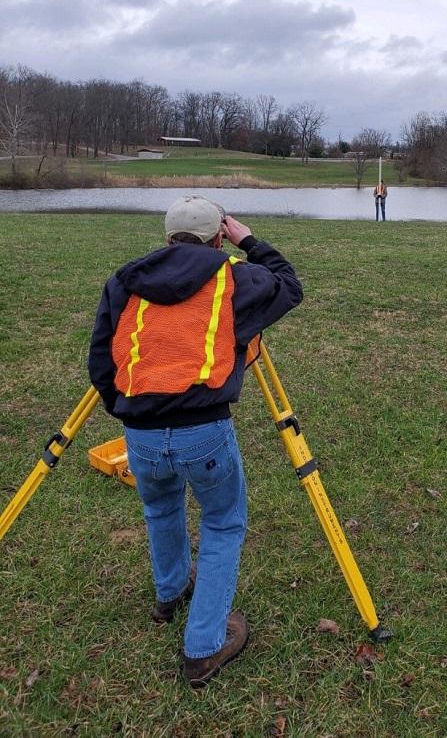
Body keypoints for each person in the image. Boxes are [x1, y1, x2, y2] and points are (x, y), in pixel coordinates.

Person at [88, 195, 302, 688]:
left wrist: (123, 410)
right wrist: (249, 240)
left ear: (167, 238)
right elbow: (288, 285)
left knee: (161, 510)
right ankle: (203, 647)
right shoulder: (235, 277)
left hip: (138, 431)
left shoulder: (125, 280)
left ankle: (170, 593)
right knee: (224, 526)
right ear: (218, 238)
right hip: (204, 432)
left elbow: (102, 357)